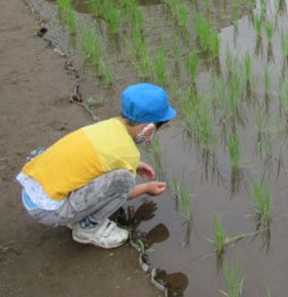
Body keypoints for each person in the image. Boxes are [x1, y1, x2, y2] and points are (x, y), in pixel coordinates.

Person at [15, 83, 176, 249]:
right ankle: (88, 229)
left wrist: (136, 165)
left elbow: (96, 159)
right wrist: (146, 188)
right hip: (47, 210)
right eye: (158, 127)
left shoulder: (106, 126)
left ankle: (74, 213)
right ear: (148, 128)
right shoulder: (128, 154)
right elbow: (122, 191)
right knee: (124, 180)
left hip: (33, 189)